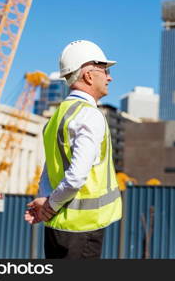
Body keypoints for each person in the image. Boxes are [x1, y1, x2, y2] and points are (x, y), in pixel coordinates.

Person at [24, 40, 122, 259]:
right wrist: (50, 204)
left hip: (57, 226)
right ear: (88, 75)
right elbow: (76, 176)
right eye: (105, 70)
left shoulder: (57, 117)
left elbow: (50, 169)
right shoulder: (89, 115)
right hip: (82, 229)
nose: (109, 77)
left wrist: (46, 203)